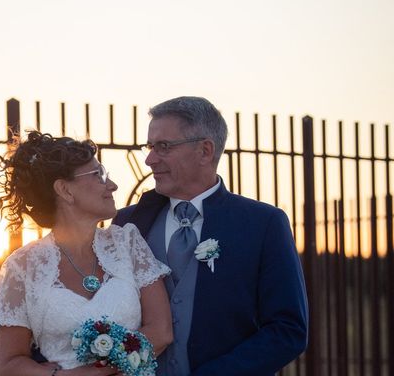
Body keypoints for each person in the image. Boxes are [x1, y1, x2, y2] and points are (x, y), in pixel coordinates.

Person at [113, 96, 308, 376]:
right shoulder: (127, 221)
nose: (149, 159)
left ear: (205, 151)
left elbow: (288, 330)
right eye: (150, 146)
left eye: (163, 147)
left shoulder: (263, 224)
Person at [0, 131, 173, 376]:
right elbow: (10, 363)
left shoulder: (127, 242)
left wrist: (99, 371)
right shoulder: (22, 267)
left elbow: (161, 332)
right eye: (98, 175)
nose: (112, 185)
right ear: (65, 190)